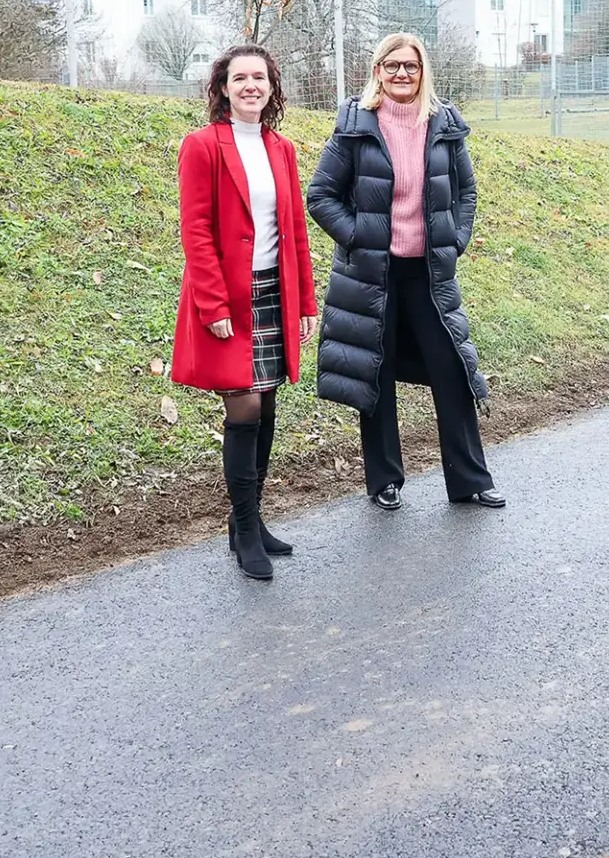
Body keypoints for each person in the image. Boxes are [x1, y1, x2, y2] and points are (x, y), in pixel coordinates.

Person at [307, 33, 505, 512]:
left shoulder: (443, 123)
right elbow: (320, 195)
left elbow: (467, 193)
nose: (401, 74)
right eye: (391, 66)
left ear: (423, 72)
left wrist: (455, 241)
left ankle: (469, 481)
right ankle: (384, 479)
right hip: (372, 276)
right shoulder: (356, 126)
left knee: (452, 369)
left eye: (410, 67)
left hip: (429, 276)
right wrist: (359, 237)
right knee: (377, 372)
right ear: (377, 70)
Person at [172, 44, 319, 581]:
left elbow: (295, 232)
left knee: (269, 402)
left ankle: (249, 522)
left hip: (273, 291)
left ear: (271, 87)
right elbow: (196, 232)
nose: (251, 85)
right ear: (223, 88)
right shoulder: (202, 145)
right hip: (228, 299)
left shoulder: (282, 149)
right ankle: (245, 529)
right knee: (244, 409)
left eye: (260, 77)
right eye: (241, 78)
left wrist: (304, 299)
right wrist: (211, 305)